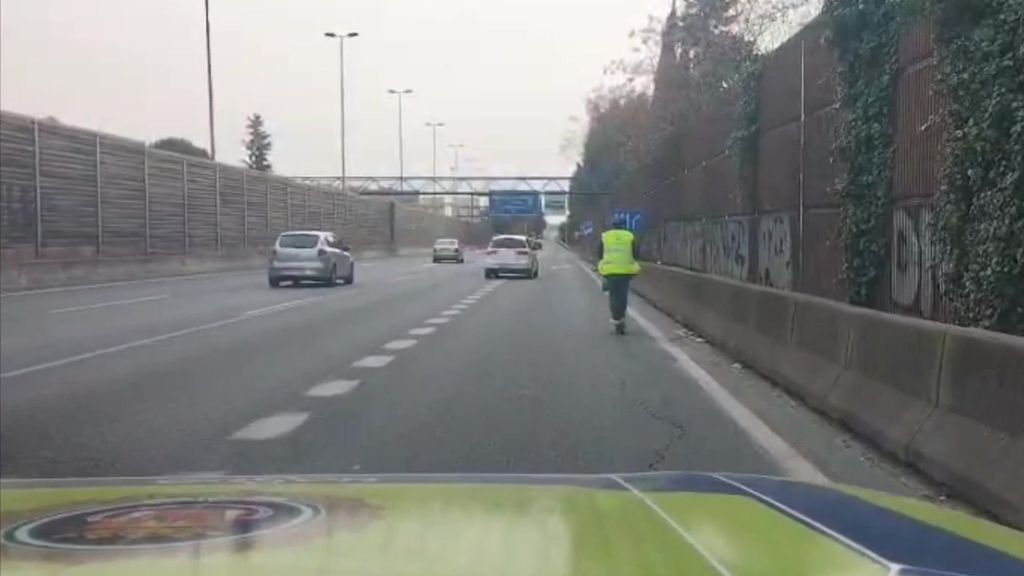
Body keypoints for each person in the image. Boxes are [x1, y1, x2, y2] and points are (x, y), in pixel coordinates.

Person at [596, 217, 641, 334]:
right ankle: (621, 317)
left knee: (613, 295)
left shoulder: (606, 236)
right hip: (626, 271)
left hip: (610, 271)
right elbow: (636, 253)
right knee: (623, 295)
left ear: (613, 225)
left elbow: (599, 253)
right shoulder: (629, 236)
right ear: (624, 225)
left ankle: (616, 318)